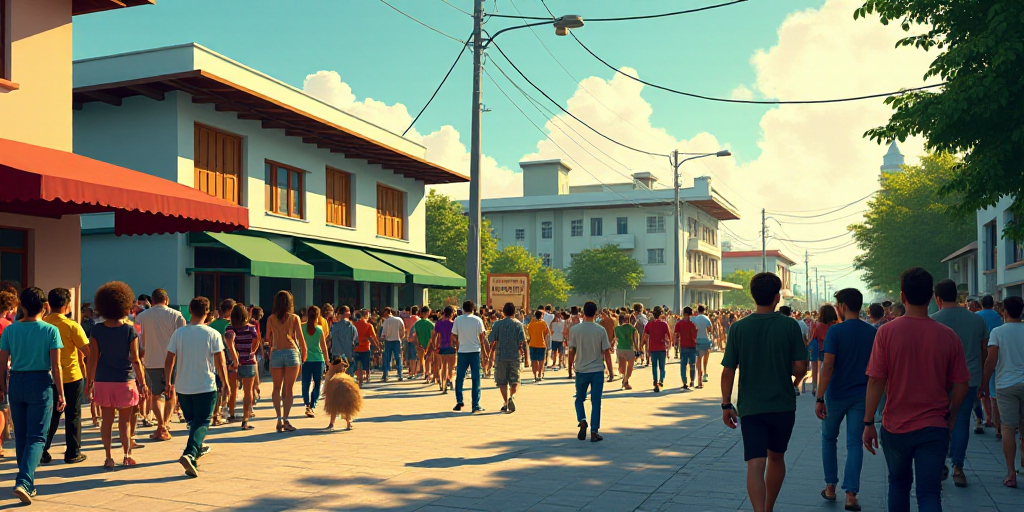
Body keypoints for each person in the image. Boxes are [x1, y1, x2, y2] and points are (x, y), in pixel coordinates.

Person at [863, 268, 970, 512]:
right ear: (931, 296)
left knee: (899, 484)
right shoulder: (948, 336)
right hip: (934, 426)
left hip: (895, 426)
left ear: (903, 296)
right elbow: (962, 382)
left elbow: (876, 381)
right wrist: (951, 417)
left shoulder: (885, 333)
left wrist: (868, 422)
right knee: (930, 493)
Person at [721, 272, 808, 512]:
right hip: (782, 405)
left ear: (753, 296)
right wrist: (795, 380)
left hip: (751, 407)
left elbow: (728, 371)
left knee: (755, 464)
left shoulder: (739, 328)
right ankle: (768, 507)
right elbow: (801, 366)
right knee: (777, 458)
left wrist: (726, 404)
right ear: (777, 296)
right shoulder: (789, 325)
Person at [0, 287, 65, 504]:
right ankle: (25, 481)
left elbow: (2, 363)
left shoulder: (10, 330)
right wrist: (61, 393)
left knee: (22, 435)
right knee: (37, 437)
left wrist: (2, 386)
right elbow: (56, 366)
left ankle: (27, 482)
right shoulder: (50, 330)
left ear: (23, 307)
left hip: (16, 381)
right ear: (44, 306)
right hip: (40, 382)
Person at [815, 288, 875, 511]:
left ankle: (830, 487)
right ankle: (851, 494)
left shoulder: (835, 332)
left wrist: (819, 396)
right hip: (862, 395)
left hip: (836, 394)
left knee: (829, 438)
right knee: (854, 443)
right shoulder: (872, 332)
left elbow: (828, 365)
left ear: (842, 307)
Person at [928, 279, 988, 488]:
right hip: (970, 377)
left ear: (938, 299)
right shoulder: (977, 321)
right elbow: (984, 352)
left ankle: (939, 463)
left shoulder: (933, 320)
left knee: (939, 420)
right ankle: (958, 468)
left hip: (941, 380)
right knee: (962, 421)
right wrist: (983, 380)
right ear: (958, 296)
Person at [165, 297, 230, 478]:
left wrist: (168, 381)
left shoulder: (179, 334)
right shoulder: (212, 334)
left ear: (190, 311)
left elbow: (169, 358)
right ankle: (190, 453)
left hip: (183, 386)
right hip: (205, 385)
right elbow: (220, 362)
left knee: (193, 422)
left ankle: (196, 451)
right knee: (202, 421)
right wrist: (225, 383)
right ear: (207, 312)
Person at [87, 281, 147, 470]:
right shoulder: (129, 330)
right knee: (125, 421)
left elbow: (93, 359)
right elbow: (136, 359)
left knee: (107, 421)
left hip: (103, 380)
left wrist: (89, 382)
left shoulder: (96, 329)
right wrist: (143, 382)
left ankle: (108, 457)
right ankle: (127, 454)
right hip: (125, 379)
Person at [41, 288, 90, 464]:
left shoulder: (43, 324)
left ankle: (42, 450)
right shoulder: (72, 326)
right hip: (71, 376)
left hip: (48, 377)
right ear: (67, 305)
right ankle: (72, 452)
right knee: (73, 415)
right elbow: (87, 350)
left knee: (50, 416)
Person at [980, 295, 1024, 488]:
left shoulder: (998, 332)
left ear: (1004, 311)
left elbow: (991, 361)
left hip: (1006, 385)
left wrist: (983, 383)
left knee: (1008, 428)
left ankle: (1010, 473)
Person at [136, 288, 186, 442]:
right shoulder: (177, 316)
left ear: (152, 299)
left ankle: (160, 425)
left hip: (150, 360)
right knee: (171, 392)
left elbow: (138, 337)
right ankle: (165, 424)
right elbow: (182, 338)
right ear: (166, 298)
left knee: (156, 395)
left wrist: (140, 353)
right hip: (172, 360)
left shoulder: (141, 317)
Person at [568, 301, 613, 443]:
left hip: (581, 370)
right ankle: (594, 432)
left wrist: (569, 368)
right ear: (596, 313)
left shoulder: (575, 330)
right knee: (596, 401)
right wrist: (611, 372)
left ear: (582, 313)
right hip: (597, 370)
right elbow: (606, 352)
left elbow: (571, 351)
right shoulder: (600, 330)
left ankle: (582, 419)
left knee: (579, 399)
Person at [266, 291, 305, 432]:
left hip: (276, 351)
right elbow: (300, 338)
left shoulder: (271, 318)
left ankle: (278, 418)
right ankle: (286, 419)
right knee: (288, 389)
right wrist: (303, 354)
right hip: (291, 352)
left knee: (276, 388)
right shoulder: (294, 318)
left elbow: (267, 338)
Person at [224, 304, 259, 430]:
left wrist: (235, 357)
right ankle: (245, 419)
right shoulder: (251, 328)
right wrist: (252, 351)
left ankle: (232, 414)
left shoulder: (230, 328)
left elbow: (229, 341)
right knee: (248, 392)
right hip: (249, 362)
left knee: (233, 390)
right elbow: (256, 341)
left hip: (234, 364)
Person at [489, 303, 526, 413]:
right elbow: (522, 341)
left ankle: (505, 402)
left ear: (503, 312)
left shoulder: (497, 324)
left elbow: (491, 338)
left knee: (502, 381)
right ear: (514, 312)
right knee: (515, 380)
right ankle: (512, 396)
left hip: (501, 356)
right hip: (514, 356)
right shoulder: (518, 324)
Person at [452, 301, 487, 413]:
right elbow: (482, 337)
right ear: (473, 309)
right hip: (475, 351)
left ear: (463, 308)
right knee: (475, 378)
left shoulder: (458, 320)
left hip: (462, 351)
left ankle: (459, 401)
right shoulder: (478, 320)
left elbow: (453, 335)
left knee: (460, 377)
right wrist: (485, 352)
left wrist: (458, 345)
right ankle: (475, 404)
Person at [977, 294, 1004, 434]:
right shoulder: (999, 317)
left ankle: (988, 417)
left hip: (982, 355)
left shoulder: (977, 316)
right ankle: (997, 418)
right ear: (992, 304)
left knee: (983, 388)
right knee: (994, 388)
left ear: (981, 304)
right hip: (997, 354)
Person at [300, 306, 329, 418]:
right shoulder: (319, 329)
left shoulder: (302, 327)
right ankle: (312, 405)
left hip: (306, 359)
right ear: (318, 316)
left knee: (305, 383)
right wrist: (327, 361)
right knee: (317, 383)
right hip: (318, 359)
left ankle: (307, 404)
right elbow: (324, 347)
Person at [323, 357, 362, 431]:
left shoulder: (331, 376)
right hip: (347, 387)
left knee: (333, 406)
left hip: (334, 388)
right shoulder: (346, 377)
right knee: (346, 405)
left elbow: (326, 389)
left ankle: (332, 423)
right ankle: (348, 423)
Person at [810, 305, 839, 396]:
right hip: (833, 349)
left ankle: (815, 386)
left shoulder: (817, 325)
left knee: (816, 368)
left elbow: (813, 336)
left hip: (820, 348)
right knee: (831, 368)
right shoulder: (836, 325)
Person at [643, 307, 670, 393]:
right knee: (662, 367)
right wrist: (670, 345)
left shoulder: (649, 324)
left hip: (653, 348)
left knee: (654, 366)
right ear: (661, 314)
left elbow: (645, 336)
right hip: (662, 347)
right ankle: (661, 381)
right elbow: (669, 336)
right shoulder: (664, 324)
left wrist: (642, 346)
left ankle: (655, 380)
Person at [432, 306, 457, 393]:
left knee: (443, 366)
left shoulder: (439, 323)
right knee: (451, 367)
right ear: (451, 313)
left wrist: (435, 346)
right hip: (451, 347)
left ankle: (443, 384)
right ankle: (450, 381)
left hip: (441, 347)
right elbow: (454, 337)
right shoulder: (453, 323)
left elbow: (434, 335)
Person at [353, 311, 380, 386]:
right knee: (366, 363)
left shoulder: (354, 325)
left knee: (356, 363)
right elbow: (373, 337)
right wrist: (377, 346)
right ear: (365, 316)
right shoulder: (368, 325)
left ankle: (358, 376)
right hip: (365, 347)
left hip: (356, 348)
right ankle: (367, 376)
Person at [329, 306, 358, 377]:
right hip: (348, 356)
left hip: (336, 355)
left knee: (336, 376)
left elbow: (330, 339)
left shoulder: (333, 326)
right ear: (348, 314)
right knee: (349, 377)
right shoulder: (352, 327)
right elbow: (356, 342)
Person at [379, 308, 405, 382]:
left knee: (387, 359)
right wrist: (401, 337)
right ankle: (400, 375)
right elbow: (402, 330)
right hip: (397, 340)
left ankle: (385, 375)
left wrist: (381, 340)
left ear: (387, 313)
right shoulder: (399, 320)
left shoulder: (386, 322)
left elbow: (383, 334)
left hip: (388, 341)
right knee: (398, 358)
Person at [675, 307, 698, 390]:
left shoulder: (679, 323)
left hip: (683, 346)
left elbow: (677, 335)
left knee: (683, 365)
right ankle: (692, 381)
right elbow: (694, 336)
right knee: (692, 364)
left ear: (683, 313)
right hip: (692, 346)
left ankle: (684, 382)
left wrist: (675, 345)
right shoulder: (692, 324)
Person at [614, 313, 638, 390]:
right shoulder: (633, 329)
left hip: (620, 349)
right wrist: (637, 349)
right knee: (630, 367)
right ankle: (625, 381)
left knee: (623, 367)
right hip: (629, 349)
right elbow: (635, 341)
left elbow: (615, 339)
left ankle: (625, 380)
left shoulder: (617, 328)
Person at [411, 306, 434, 382]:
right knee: (428, 360)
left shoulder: (417, 323)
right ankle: (427, 374)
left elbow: (416, 335)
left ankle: (424, 372)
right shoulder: (430, 323)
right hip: (429, 344)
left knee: (421, 360)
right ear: (427, 312)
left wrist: (417, 344)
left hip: (420, 344)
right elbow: (433, 334)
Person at [526, 309, 548, 383]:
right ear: (541, 316)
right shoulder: (543, 323)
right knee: (541, 360)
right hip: (541, 344)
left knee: (534, 360)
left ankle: (535, 375)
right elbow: (546, 333)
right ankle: (539, 374)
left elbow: (528, 333)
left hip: (532, 344)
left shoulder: (531, 323)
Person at [692, 305, 713, 384]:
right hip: (706, 340)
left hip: (698, 340)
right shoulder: (707, 318)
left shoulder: (695, 319)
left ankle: (698, 378)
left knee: (698, 359)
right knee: (706, 357)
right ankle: (705, 372)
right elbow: (710, 329)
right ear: (704, 310)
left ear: (698, 310)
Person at [403, 307, 420, 378]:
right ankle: (414, 371)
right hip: (416, 339)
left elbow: (405, 328)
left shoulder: (406, 319)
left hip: (408, 338)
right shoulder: (418, 319)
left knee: (410, 356)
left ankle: (411, 371)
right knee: (415, 356)